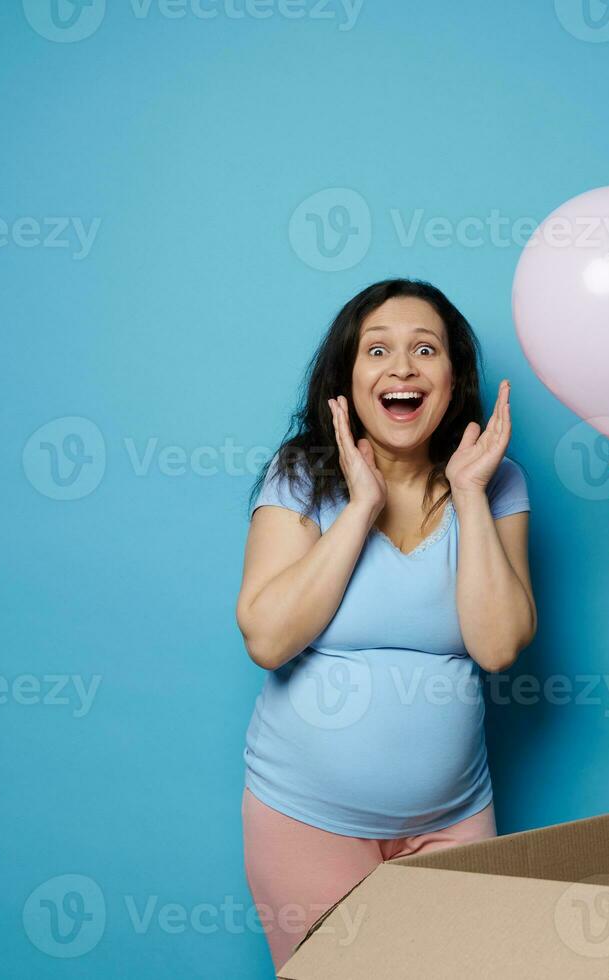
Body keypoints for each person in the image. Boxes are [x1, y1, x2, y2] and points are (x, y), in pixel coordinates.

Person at [235, 278, 536, 972]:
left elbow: (496, 646)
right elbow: (267, 639)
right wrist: (360, 506)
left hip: (454, 824)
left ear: (452, 376)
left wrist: (467, 493)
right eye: (378, 350)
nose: (402, 367)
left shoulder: (497, 481)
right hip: (304, 821)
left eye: (424, 349)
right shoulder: (300, 477)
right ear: (346, 380)